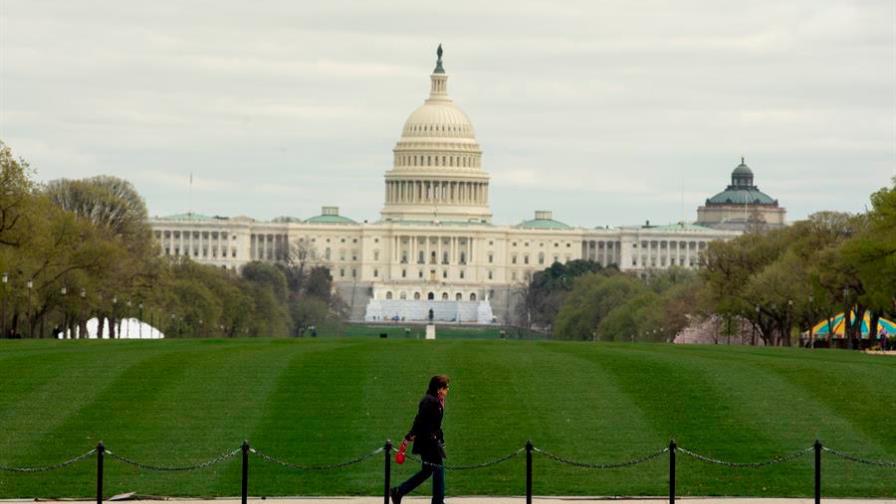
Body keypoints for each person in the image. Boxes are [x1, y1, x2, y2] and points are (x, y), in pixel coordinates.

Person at [391, 375, 450, 504]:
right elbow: (419, 420)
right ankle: (438, 501)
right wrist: (409, 436)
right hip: (428, 443)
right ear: (439, 389)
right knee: (438, 469)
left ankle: (399, 491)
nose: (448, 390)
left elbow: (435, 425)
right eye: (446, 388)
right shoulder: (430, 402)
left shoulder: (437, 400)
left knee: (427, 471)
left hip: (431, 441)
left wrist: (441, 439)